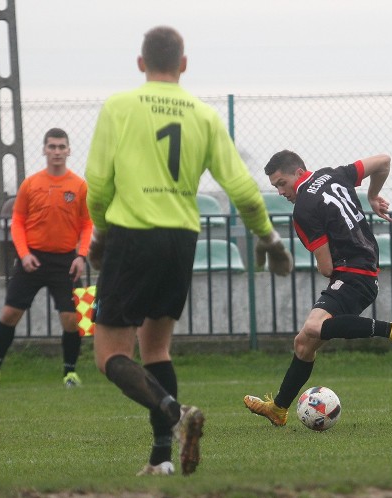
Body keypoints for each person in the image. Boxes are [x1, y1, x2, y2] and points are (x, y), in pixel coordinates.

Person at [84, 26, 292, 477]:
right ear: (183, 64)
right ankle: (161, 459)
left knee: (109, 356)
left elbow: (98, 185)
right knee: (156, 349)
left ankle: (176, 414)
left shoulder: (119, 107)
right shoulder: (203, 115)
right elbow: (240, 188)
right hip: (181, 239)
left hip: (132, 233)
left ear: (141, 63)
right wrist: (269, 239)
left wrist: (99, 234)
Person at [243, 150, 392, 427]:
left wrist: (321, 264)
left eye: (281, 183)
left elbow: (325, 268)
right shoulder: (334, 173)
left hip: (351, 275)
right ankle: (278, 409)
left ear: (299, 173)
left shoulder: (303, 209)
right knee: (303, 344)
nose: (280, 191)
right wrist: (373, 196)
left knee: (313, 328)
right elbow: (384, 161)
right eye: (275, 186)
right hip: (365, 269)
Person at [0, 128, 92, 389]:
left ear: (69, 151)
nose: (57, 152)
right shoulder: (30, 184)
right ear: (44, 150)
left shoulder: (80, 185)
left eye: (61, 147)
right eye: (52, 147)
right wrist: (24, 255)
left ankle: (70, 374)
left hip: (66, 261)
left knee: (74, 319)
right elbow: (17, 223)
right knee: (10, 313)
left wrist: (81, 256)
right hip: (32, 260)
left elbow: (87, 224)